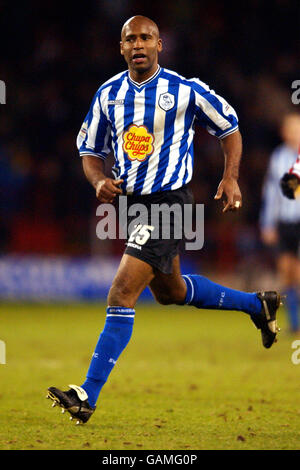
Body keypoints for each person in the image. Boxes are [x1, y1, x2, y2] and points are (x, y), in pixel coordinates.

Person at [47, 16, 281, 424]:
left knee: (121, 293)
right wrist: (98, 178)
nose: (138, 44)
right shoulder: (108, 95)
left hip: (170, 203)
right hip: (132, 205)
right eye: (129, 39)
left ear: (159, 45)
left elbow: (230, 127)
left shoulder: (185, 89)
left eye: (145, 38)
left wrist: (230, 177)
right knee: (170, 292)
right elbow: (89, 149)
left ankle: (87, 394)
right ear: (121, 48)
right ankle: (257, 305)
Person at [260, 113, 300, 334]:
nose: (294, 133)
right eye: (290, 128)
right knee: (287, 272)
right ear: (284, 132)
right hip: (284, 223)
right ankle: (294, 324)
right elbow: (271, 192)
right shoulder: (278, 157)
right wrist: (268, 223)